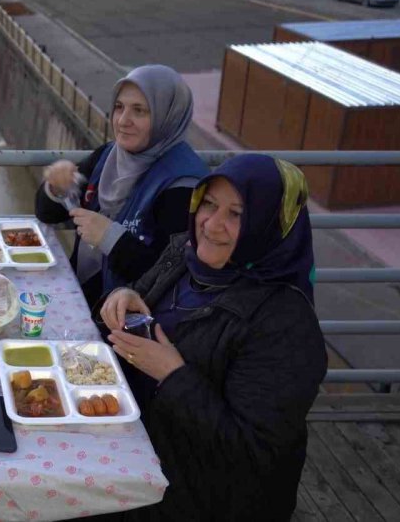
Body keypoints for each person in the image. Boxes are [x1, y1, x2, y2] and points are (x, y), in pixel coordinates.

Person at [97, 154, 327, 521]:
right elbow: (139, 303)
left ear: (271, 224)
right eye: (209, 204)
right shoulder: (183, 254)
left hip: (199, 495)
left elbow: (252, 453)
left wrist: (173, 375)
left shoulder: (285, 325)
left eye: (236, 214)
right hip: (138, 440)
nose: (212, 224)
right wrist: (122, 295)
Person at [35, 65, 209, 308]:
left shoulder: (183, 186)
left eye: (139, 111)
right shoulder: (108, 156)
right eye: (119, 107)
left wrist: (111, 238)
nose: (123, 121)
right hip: (84, 298)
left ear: (166, 116)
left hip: (127, 320)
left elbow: (170, 274)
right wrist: (56, 187)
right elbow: (48, 214)